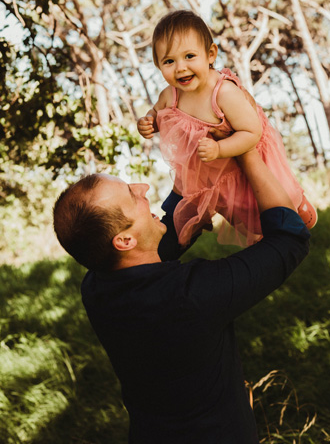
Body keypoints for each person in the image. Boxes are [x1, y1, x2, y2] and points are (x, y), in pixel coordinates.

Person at [53, 148, 310, 444]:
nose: (142, 188)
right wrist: (248, 154)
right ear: (123, 240)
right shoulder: (191, 296)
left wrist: (194, 164)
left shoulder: (97, 287)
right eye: (131, 195)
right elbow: (291, 240)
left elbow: (161, 238)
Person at [138, 9, 317, 247]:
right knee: (239, 211)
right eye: (169, 61)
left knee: (266, 198)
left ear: (210, 54)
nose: (180, 67)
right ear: (158, 64)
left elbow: (251, 132)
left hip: (239, 155)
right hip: (210, 167)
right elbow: (157, 113)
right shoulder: (170, 95)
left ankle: (298, 206)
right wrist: (148, 122)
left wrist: (220, 149)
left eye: (189, 56)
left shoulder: (223, 93)